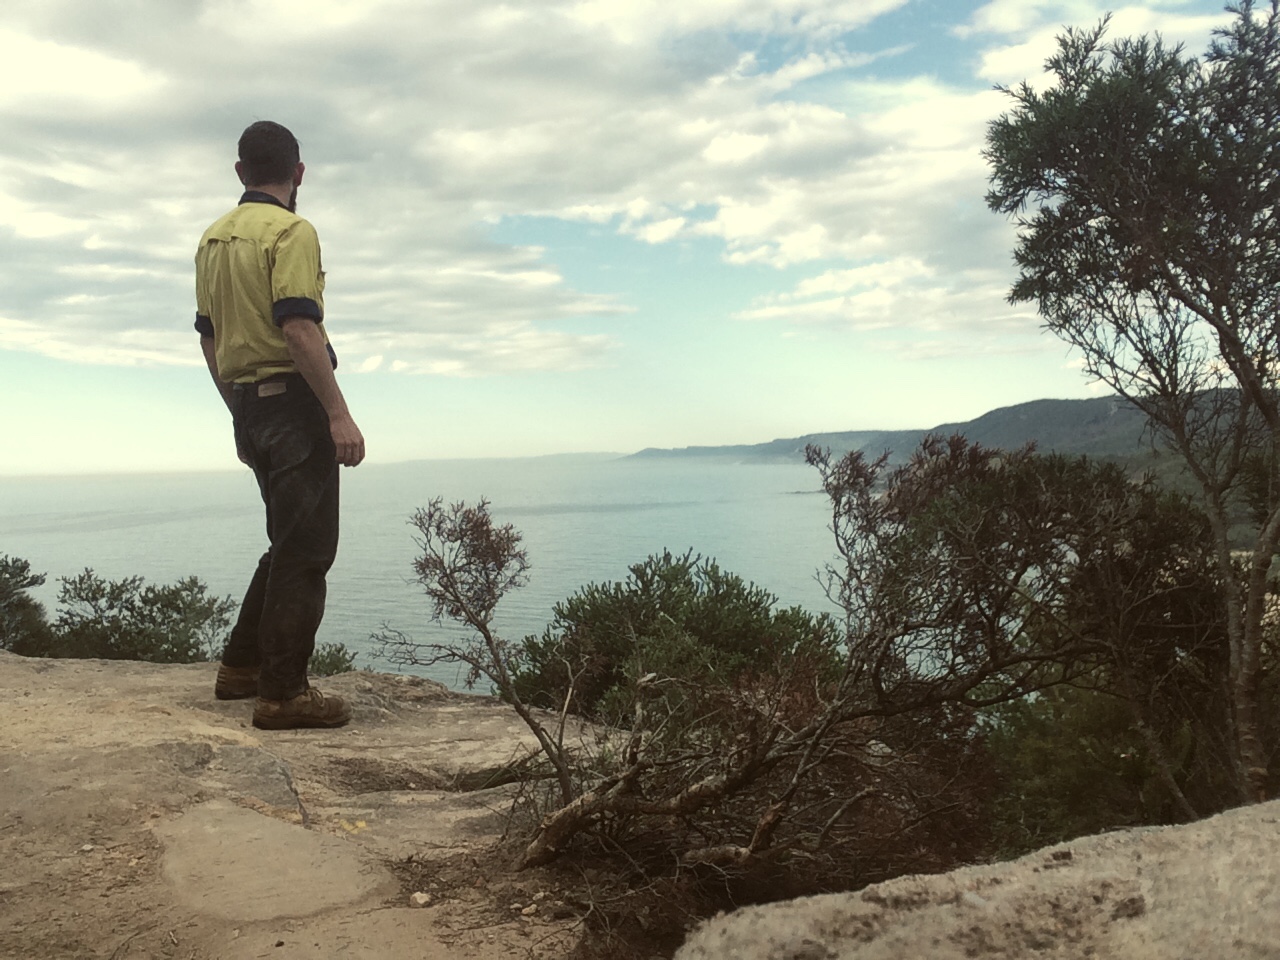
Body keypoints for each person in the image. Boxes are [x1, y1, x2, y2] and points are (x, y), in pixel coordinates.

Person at [195, 120, 364, 730]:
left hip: (248, 404)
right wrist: (338, 413)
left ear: (241, 172)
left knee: (287, 541)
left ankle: (241, 669)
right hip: (294, 405)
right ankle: (283, 694)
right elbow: (297, 327)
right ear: (298, 172)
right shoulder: (293, 231)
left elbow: (210, 338)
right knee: (308, 549)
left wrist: (238, 414)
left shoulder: (213, 240)